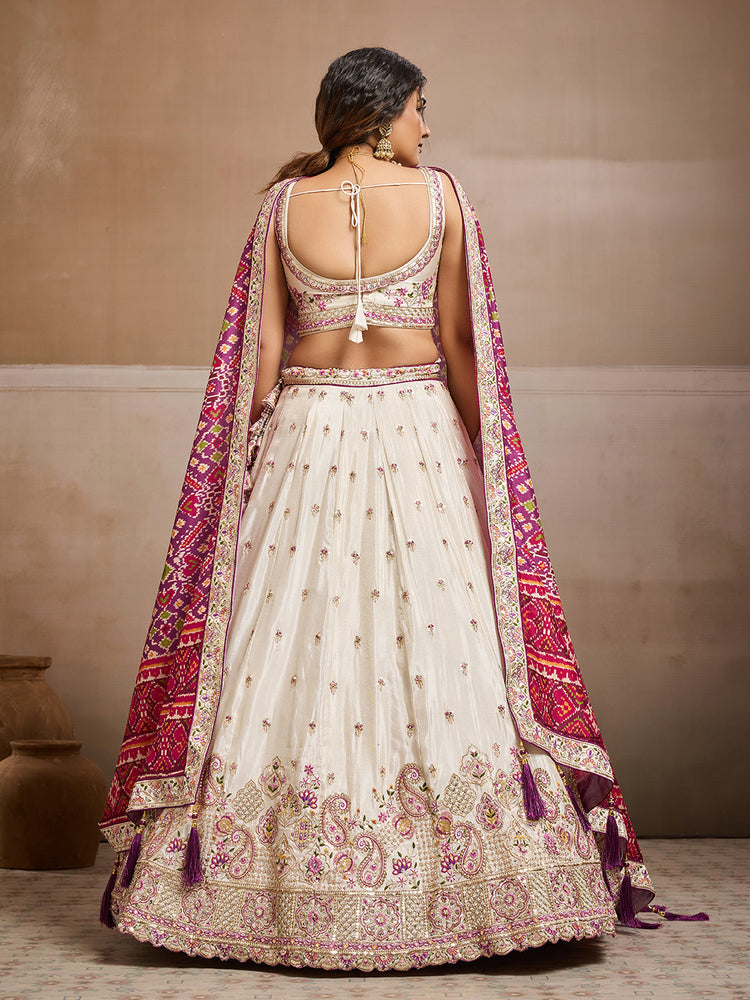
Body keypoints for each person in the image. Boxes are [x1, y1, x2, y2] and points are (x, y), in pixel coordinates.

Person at [99, 47, 658, 971]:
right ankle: (483, 894)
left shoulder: (282, 206)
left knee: (285, 631)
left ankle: (239, 890)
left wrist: (236, 475)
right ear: (384, 110)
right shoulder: (442, 198)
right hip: (418, 430)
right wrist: (490, 455)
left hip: (304, 433)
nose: (426, 127)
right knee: (443, 632)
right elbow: (460, 342)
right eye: (419, 108)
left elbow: (262, 356)